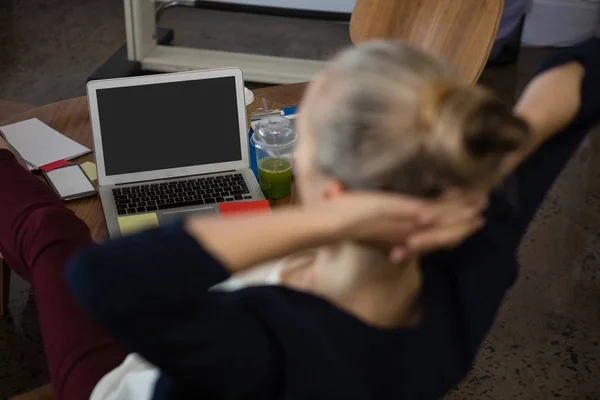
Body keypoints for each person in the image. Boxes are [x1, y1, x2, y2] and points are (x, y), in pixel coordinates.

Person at [0, 39, 598, 400]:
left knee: (50, 235)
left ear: (336, 193)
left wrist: (334, 221)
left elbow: (103, 281)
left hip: (120, 386)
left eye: (302, 130)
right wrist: (518, 145)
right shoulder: (472, 257)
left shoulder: (266, 341)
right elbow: (583, 66)